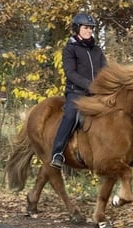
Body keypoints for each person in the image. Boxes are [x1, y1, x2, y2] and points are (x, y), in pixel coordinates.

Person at [50, 13, 107, 170]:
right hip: (76, 92)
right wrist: (89, 85)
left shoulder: (97, 50)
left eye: (91, 28)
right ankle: (57, 153)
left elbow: (105, 70)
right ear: (77, 29)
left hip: (96, 93)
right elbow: (71, 73)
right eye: (86, 28)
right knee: (70, 116)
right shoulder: (70, 49)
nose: (89, 31)